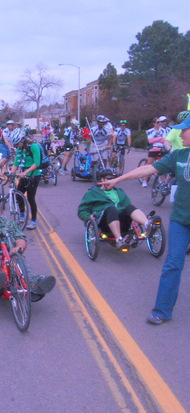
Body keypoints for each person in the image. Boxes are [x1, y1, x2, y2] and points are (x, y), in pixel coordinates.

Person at [99, 116, 190, 325]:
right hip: (181, 220)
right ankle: (162, 310)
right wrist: (117, 179)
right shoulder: (179, 155)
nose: (179, 134)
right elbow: (148, 169)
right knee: (173, 265)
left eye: (184, 130)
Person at [78, 168, 155, 249]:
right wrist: (88, 217)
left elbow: (129, 208)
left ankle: (147, 224)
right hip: (105, 223)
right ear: (102, 179)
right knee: (111, 209)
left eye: (114, 178)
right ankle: (119, 240)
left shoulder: (120, 192)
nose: (112, 180)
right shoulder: (92, 193)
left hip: (123, 222)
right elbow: (82, 210)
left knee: (129, 207)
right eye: (109, 178)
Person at [9, 128, 42, 230]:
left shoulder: (34, 147)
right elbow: (16, 163)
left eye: (17, 144)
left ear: (23, 140)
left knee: (31, 198)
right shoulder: (19, 149)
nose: (16, 146)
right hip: (23, 175)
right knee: (18, 195)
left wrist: (25, 172)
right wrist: (10, 173)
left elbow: (36, 163)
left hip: (33, 175)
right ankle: (22, 215)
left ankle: (33, 221)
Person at [142, 117, 170, 188]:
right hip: (153, 149)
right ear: (154, 124)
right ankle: (145, 180)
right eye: (157, 122)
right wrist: (160, 138)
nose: (159, 124)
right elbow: (150, 141)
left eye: (160, 122)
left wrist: (157, 139)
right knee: (149, 165)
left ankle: (163, 182)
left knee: (160, 166)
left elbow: (165, 140)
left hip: (161, 149)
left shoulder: (163, 131)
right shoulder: (150, 131)